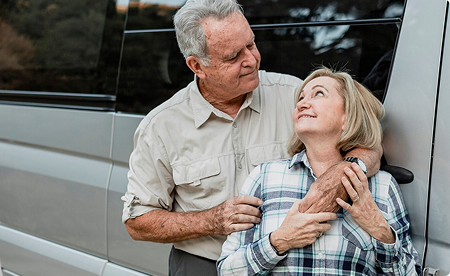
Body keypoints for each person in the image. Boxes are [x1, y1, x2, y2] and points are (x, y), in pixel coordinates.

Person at [121, 0, 382, 275]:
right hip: (203, 263)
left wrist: (345, 169)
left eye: (251, 44)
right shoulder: (160, 126)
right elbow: (138, 222)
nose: (251, 60)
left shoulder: (294, 95)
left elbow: (372, 146)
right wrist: (212, 220)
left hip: (290, 262)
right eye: (233, 56)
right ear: (197, 65)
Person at [217, 67, 421, 275]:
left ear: (348, 117)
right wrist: (279, 241)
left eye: (319, 93)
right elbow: (227, 270)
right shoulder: (264, 177)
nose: (302, 103)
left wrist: (379, 229)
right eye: (301, 97)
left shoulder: (382, 186)